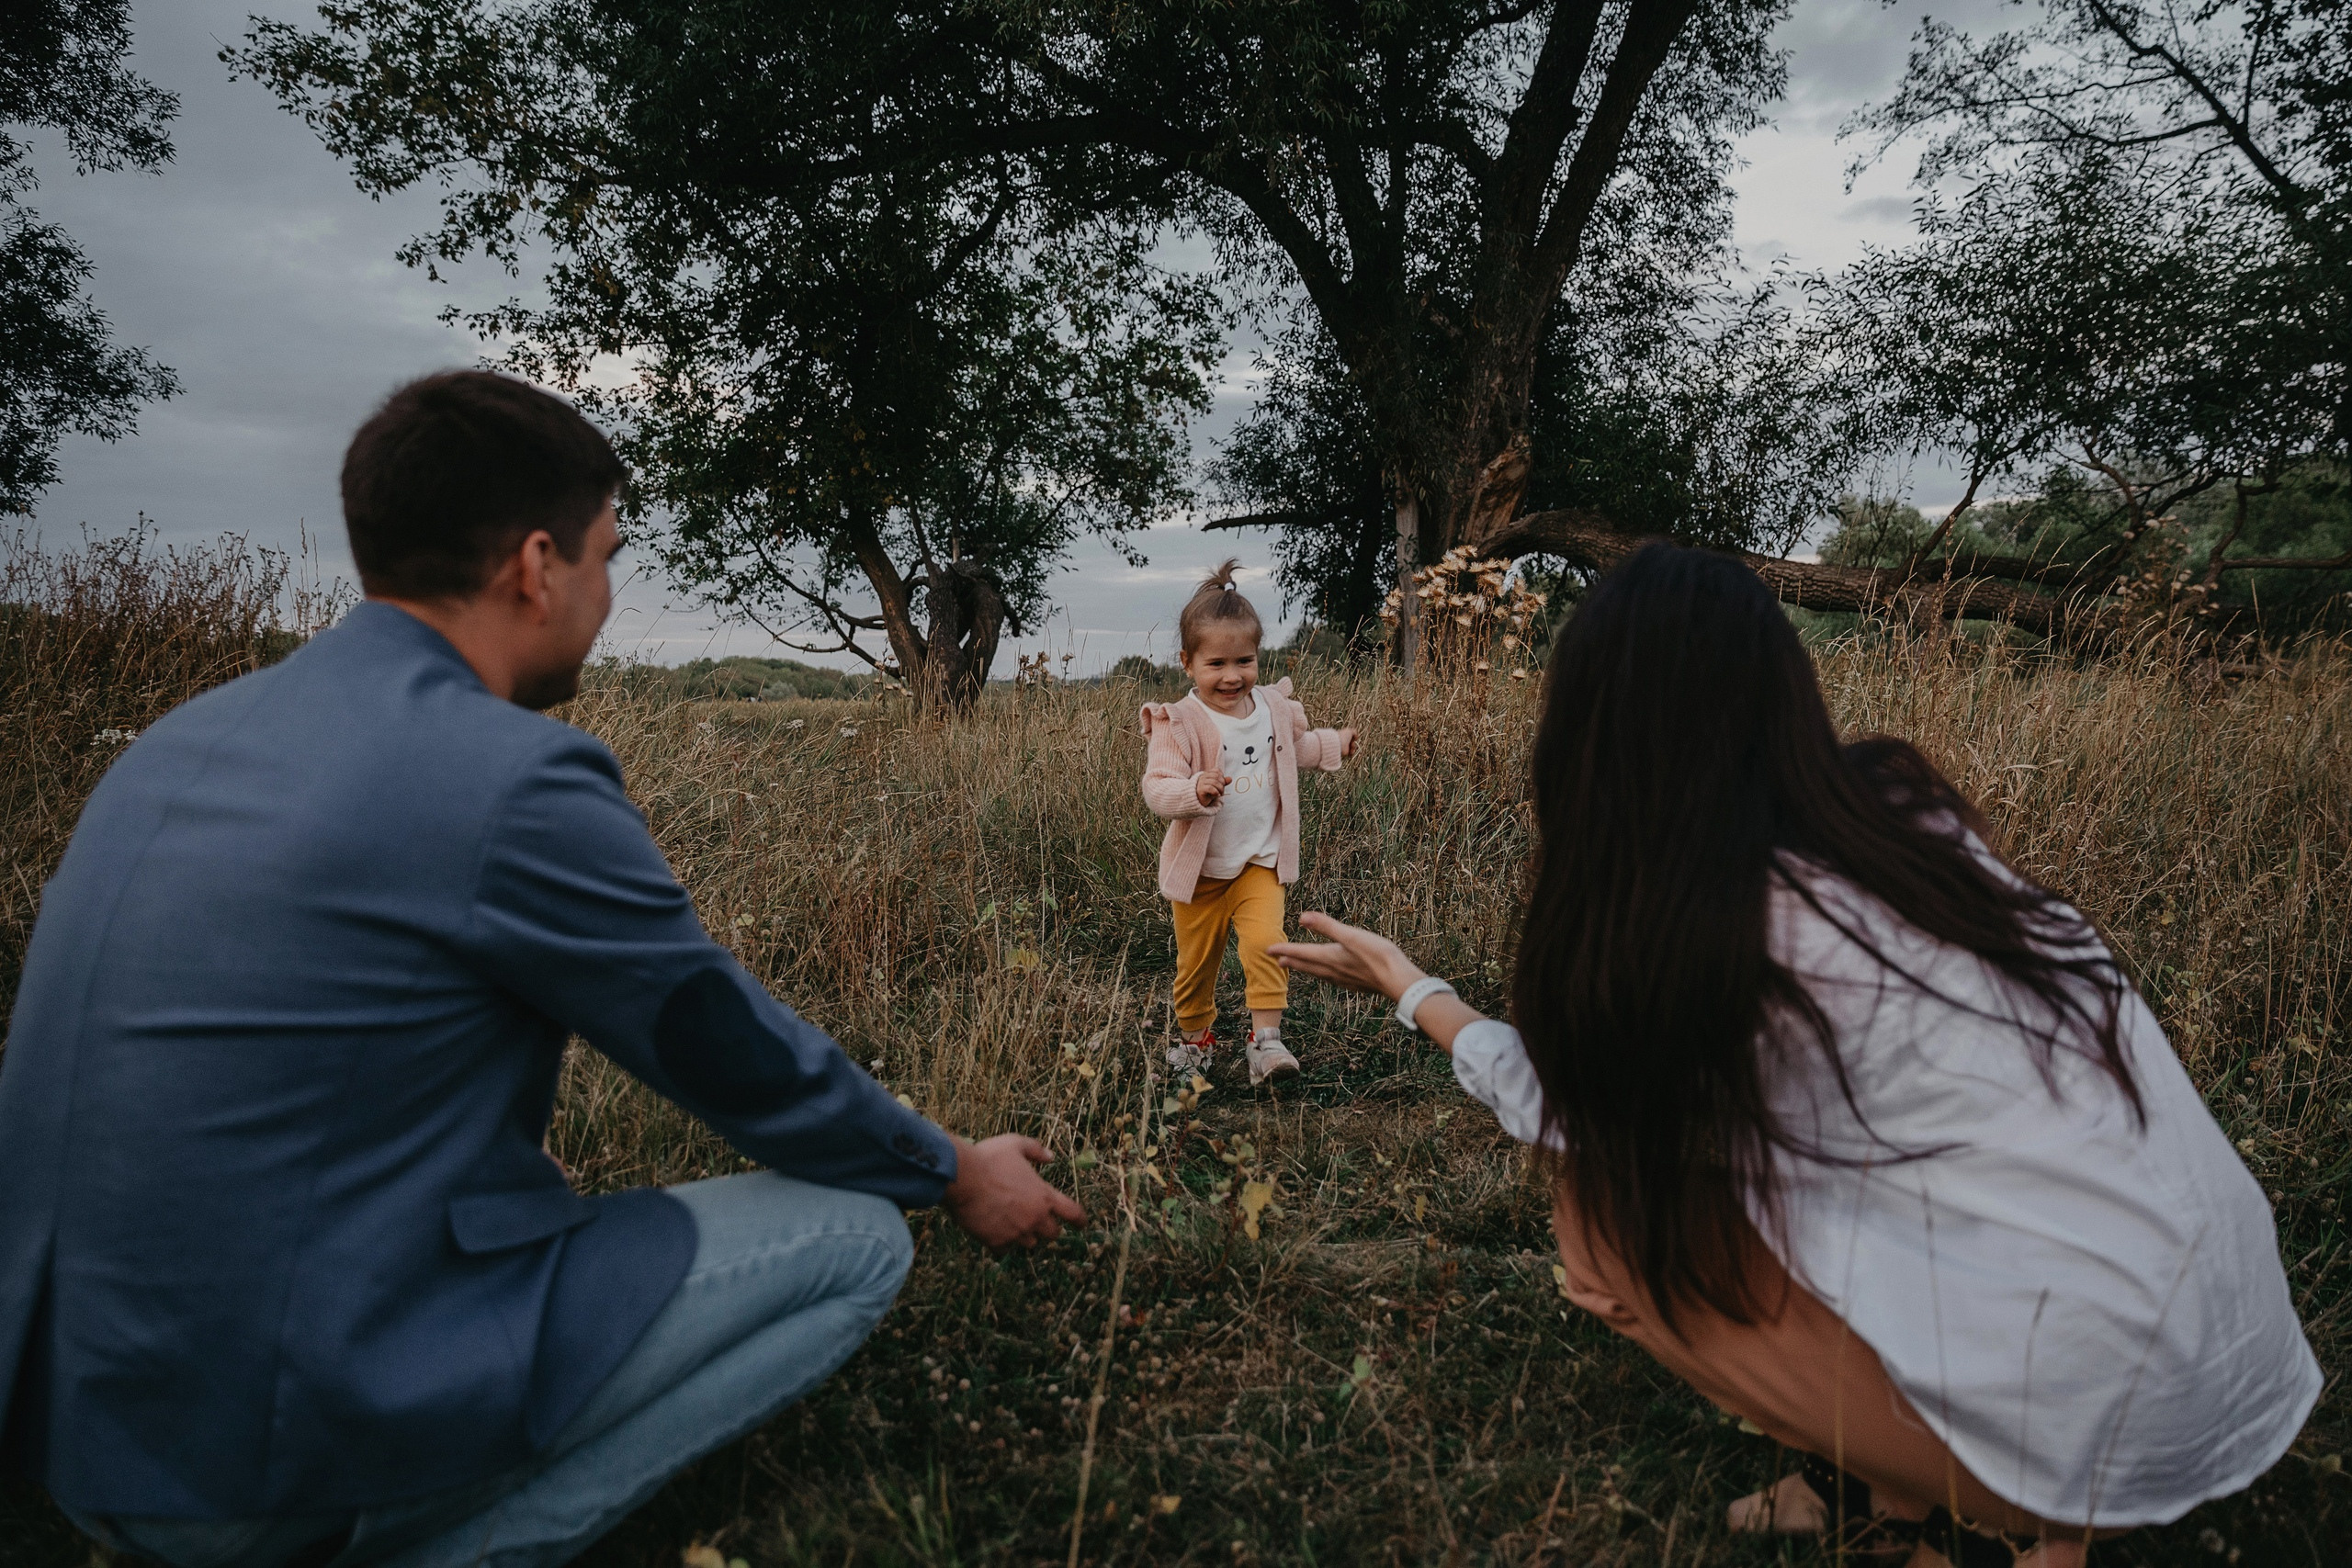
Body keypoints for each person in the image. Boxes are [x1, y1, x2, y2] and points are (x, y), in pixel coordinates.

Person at [0, 370, 1083, 1568]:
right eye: (605, 556)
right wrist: (952, 1169)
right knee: (855, 1238)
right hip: (258, 1457)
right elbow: (727, 1050)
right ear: (534, 566)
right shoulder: (508, 774)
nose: (608, 595)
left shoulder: (178, 743)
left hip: (81, 1432)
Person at [1271, 543, 2319, 1567]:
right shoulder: (1903, 824)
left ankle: (1986, 1512)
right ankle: (1878, 1488)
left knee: (1603, 1223)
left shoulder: (1726, 925)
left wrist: (1413, 989)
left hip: (2098, 1419)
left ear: (1590, 732)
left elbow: (1573, 1113)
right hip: (2225, 1350)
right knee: (1793, 1177)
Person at [1140, 560, 1357, 1087]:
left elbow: (1294, 749)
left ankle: (1267, 1042)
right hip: (1202, 874)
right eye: (1216, 663)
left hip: (1259, 860)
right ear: (1187, 663)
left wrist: (1333, 744)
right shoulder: (1179, 722)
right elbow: (1157, 786)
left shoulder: (1271, 708)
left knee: (1266, 944)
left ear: (1259, 656)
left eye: (1245, 661)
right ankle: (1195, 1042)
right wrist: (1193, 790)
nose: (1232, 676)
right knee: (1196, 965)